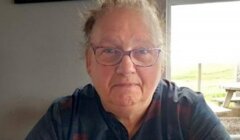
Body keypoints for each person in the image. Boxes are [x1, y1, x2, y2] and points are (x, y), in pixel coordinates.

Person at [26, 0, 231, 139]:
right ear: (89, 61)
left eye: (142, 50)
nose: (126, 68)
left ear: (161, 63)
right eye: (109, 50)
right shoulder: (63, 119)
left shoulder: (189, 113)